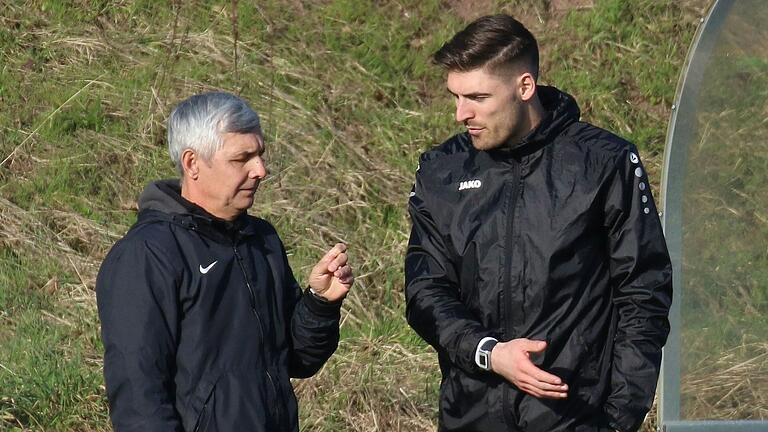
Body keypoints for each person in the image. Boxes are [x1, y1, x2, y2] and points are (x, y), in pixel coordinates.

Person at [404, 15, 672, 432]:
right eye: (455, 97)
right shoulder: (441, 170)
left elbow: (644, 292)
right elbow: (425, 290)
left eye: (476, 97)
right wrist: (488, 352)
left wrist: (618, 420)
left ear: (524, 87)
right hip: (470, 418)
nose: (461, 114)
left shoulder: (604, 162)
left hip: (577, 418)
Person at [96, 91, 354, 431]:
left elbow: (296, 359)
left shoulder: (261, 240)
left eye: (260, 154)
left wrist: (320, 303)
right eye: (242, 158)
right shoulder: (147, 255)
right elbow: (139, 400)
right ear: (192, 164)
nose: (260, 170)